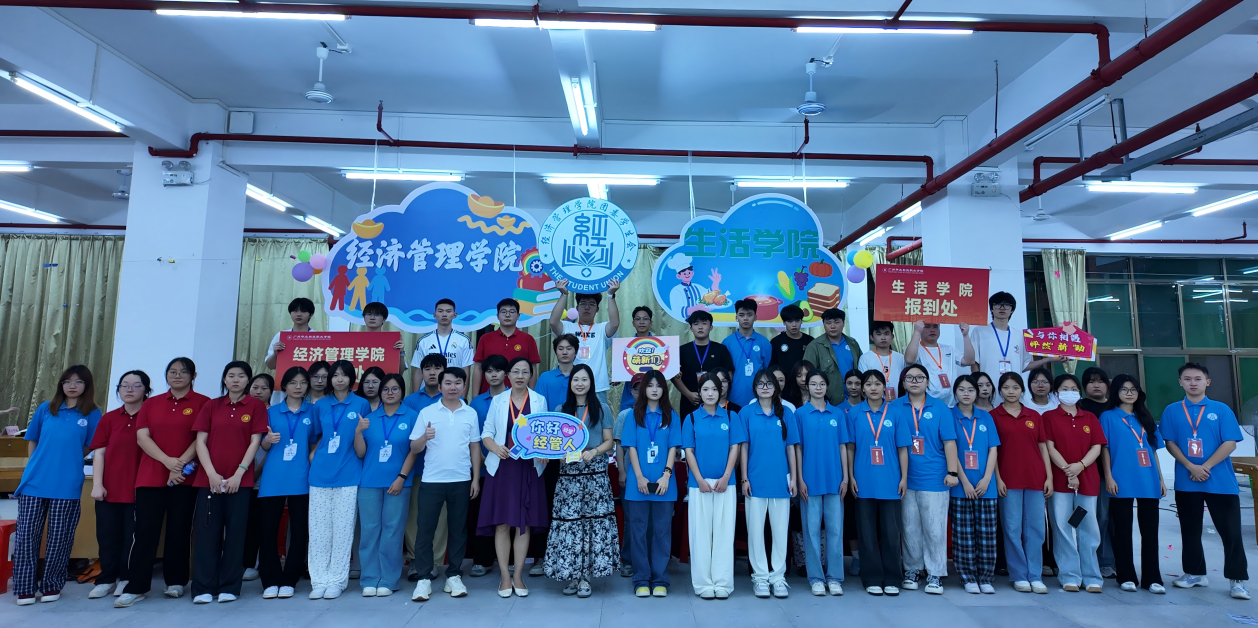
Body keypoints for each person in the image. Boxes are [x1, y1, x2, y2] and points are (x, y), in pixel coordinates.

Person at [117, 358, 208, 607]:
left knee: (179, 530)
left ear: (193, 375)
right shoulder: (152, 403)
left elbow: (201, 439)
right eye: (172, 372)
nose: (177, 376)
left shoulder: (203, 403)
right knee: (144, 532)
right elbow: (142, 437)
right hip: (150, 477)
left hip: (185, 479)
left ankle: (176, 581)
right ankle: (136, 586)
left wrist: (179, 465)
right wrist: (167, 461)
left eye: (183, 372)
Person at [1160, 362, 1249, 599]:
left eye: (1197, 379)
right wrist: (1191, 467)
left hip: (1220, 482)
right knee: (1190, 530)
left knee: (1230, 532)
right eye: (1187, 379)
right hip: (1187, 481)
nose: (1193, 383)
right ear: (1180, 382)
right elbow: (1170, 443)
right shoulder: (1172, 410)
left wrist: (1205, 467)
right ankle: (1194, 573)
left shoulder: (1221, 409)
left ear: (1207, 382)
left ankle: (1237, 580)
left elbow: (1230, 443)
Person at [13, 366, 101, 606]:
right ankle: (25, 588)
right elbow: (32, 441)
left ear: (86, 386)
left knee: (60, 538)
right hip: (35, 482)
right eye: (67, 381)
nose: (72, 386)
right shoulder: (46, 408)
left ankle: (52, 585)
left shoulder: (92, 413)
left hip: (67, 483)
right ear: (61, 384)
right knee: (26, 536)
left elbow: (90, 446)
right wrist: (35, 465)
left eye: (78, 382)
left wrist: (70, 458)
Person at [189, 361, 269, 604]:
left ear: (248, 380)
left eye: (241, 376)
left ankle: (230, 587)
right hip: (209, 480)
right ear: (224, 379)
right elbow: (200, 442)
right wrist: (211, 473)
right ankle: (203, 587)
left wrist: (239, 473)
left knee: (235, 535)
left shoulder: (255, 406)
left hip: (239, 482)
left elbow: (255, 442)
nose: (236, 380)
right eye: (231, 375)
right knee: (206, 534)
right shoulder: (211, 405)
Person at [544, 364, 618, 598]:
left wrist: (594, 452)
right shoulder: (561, 409)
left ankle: (586, 578)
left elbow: (609, 442)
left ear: (591, 383)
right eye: (576, 379)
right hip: (569, 477)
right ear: (570, 383)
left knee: (591, 525)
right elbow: (555, 443)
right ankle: (573, 575)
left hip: (595, 475)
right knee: (571, 525)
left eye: (584, 379)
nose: (580, 383)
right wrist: (559, 454)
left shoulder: (602, 407)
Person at [479, 357, 550, 598]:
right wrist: (494, 447)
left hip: (528, 468)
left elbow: (544, 434)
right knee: (502, 524)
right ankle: (504, 576)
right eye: (516, 371)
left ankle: (518, 576)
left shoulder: (539, 400)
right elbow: (486, 433)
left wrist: (543, 452)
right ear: (508, 375)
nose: (520, 376)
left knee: (523, 524)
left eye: (525, 372)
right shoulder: (498, 400)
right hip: (503, 467)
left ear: (531, 375)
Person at [410, 367, 482, 601]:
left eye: (458, 383)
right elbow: (414, 447)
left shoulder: (470, 413)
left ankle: (454, 574)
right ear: (439, 387)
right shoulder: (427, 412)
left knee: (458, 529)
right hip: (432, 480)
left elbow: (474, 447)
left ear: (464, 386)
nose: (453, 387)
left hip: (461, 479)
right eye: (448, 383)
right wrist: (425, 437)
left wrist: (475, 478)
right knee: (425, 530)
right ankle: (423, 578)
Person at [308, 360, 370, 599]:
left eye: (345, 375)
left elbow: (365, 439)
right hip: (320, 474)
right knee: (319, 531)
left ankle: (336, 580)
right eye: (335, 375)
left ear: (352, 379)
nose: (340, 379)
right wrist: (314, 455)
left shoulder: (361, 404)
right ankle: (318, 580)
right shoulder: (320, 405)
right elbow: (316, 437)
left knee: (343, 531)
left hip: (349, 474)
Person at [894, 363, 958, 594]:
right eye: (909, 378)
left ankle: (935, 573)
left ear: (927, 382)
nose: (914, 381)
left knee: (934, 529)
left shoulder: (940, 407)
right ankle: (912, 570)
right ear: (903, 383)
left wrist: (952, 472)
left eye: (919, 377)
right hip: (904, 479)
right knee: (909, 527)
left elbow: (949, 442)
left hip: (935, 478)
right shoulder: (894, 407)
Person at [353, 373, 418, 598]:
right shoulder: (369, 418)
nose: (390, 393)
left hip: (398, 482)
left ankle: (389, 579)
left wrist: (401, 477)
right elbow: (361, 453)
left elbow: (414, 451)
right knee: (370, 530)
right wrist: (358, 432)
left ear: (402, 391)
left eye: (395, 389)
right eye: (385, 389)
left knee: (392, 530)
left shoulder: (412, 416)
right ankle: (370, 578)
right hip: (369, 482)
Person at [1099, 374, 1166, 594]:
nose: (1129, 393)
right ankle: (1126, 576)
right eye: (1124, 389)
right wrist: (1109, 476)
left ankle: (1152, 578)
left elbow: (1153, 451)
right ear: (1115, 392)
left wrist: (1160, 479)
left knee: (1150, 531)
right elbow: (1105, 449)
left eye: (1133, 389)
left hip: (1148, 479)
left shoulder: (1145, 417)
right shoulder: (1108, 417)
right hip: (1121, 479)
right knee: (1122, 530)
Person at [738, 369, 799, 599]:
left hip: (780, 480)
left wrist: (794, 478)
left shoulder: (786, 413)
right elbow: (743, 447)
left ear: (776, 387)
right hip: (755, 481)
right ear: (754, 388)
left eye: (769, 383)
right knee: (755, 531)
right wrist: (744, 478)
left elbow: (791, 448)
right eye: (760, 384)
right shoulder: (746, 412)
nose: (765, 387)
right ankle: (760, 577)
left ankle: (778, 576)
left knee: (780, 531)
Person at [87, 370, 149, 600]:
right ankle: (106, 579)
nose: (129, 389)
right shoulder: (109, 418)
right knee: (107, 536)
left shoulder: (150, 418)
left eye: (136, 385)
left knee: (132, 538)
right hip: (109, 489)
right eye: (124, 385)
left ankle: (127, 579)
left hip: (139, 489)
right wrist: (97, 484)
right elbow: (99, 453)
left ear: (146, 390)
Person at [621, 370, 682, 597]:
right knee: (638, 532)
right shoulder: (633, 415)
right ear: (643, 389)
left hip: (665, 483)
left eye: (658, 385)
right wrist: (638, 477)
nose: (654, 389)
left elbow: (673, 447)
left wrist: (666, 475)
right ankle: (641, 579)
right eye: (650, 385)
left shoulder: (671, 416)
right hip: (638, 482)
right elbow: (631, 447)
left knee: (662, 532)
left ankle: (660, 579)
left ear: (664, 389)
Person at [256, 367, 316, 600]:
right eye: (293, 382)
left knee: (299, 531)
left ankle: (290, 578)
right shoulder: (271, 412)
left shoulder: (312, 411)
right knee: (268, 531)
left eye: (302, 382)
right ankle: (270, 579)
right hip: (273, 478)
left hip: (301, 477)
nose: (298, 387)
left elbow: (315, 441)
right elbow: (262, 444)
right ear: (284, 386)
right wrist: (268, 441)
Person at [1043, 373, 1106, 593]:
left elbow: (1097, 446)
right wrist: (1068, 471)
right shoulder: (1049, 417)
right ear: (1056, 393)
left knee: (1088, 527)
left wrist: (1080, 466)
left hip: (1087, 481)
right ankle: (1069, 575)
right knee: (1063, 527)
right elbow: (1049, 447)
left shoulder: (1089, 418)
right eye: (1064, 389)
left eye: (1073, 389)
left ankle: (1091, 576)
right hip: (1061, 481)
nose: (1069, 393)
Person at [847, 370, 908, 596]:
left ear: (885, 387)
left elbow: (903, 449)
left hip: (891, 481)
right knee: (867, 533)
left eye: (877, 383)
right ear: (863, 388)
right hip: (863, 481)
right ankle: (871, 577)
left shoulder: (896, 413)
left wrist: (904, 478)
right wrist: (851, 476)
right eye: (868, 384)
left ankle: (893, 577)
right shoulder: (854, 413)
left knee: (891, 533)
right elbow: (850, 447)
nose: (873, 388)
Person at [683, 373, 744, 600]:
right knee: (700, 533)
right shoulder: (691, 418)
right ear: (699, 392)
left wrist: (727, 476)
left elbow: (735, 447)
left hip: (725, 483)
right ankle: (703, 583)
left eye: (714, 389)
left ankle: (722, 582)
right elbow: (689, 451)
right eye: (705, 389)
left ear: (721, 392)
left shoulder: (730, 416)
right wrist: (699, 479)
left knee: (724, 533)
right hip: (699, 484)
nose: (710, 393)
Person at [990, 372, 1051, 594]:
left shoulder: (1034, 415)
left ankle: (1035, 575)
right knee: (1012, 528)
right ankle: (1019, 574)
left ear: (1022, 390)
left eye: (1015, 387)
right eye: (1006, 388)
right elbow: (992, 450)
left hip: (1035, 478)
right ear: (1000, 391)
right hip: (1008, 480)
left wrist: (1049, 477)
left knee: (1036, 528)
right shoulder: (993, 416)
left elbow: (1043, 447)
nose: (1011, 391)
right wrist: (998, 478)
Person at [795, 370, 849, 597]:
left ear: (827, 387)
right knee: (811, 531)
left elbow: (843, 446)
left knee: (836, 530)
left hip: (835, 480)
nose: (818, 388)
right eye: (813, 384)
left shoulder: (838, 414)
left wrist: (845, 477)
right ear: (807, 387)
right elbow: (797, 448)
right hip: (809, 481)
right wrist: (800, 479)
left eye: (822, 384)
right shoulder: (800, 414)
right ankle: (816, 578)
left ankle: (834, 577)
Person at [949, 374, 1001, 594]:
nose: (966, 394)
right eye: (961, 390)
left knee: (987, 535)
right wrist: (964, 481)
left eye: (971, 390)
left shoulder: (986, 417)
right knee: (963, 535)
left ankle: (986, 577)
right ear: (955, 393)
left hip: (985, 487)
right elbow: (950, 450)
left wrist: (987, 478)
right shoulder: (949, 416)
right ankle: (968, 577)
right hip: (961, 487)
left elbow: (993, 449)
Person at [402, 354, 451, 581]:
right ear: (420, 373)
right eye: (428, 368)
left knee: (440, 519)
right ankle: (415, 559)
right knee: (414, 517)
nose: (432, 372)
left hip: (444, 471)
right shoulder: (410, 401)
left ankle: (435, 561)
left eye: (437, 368)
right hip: (417, 468)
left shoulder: (453, 398)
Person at [466, 354, 508, 578]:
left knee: (507, 514)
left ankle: (509, 559)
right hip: (482, 467)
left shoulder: (515, 399)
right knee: (482, 514)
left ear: (506, 374)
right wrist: (482, 458)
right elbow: (472, 436)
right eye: (489, 371)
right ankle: (482, 559)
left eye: (497, 370)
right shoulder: (476, 403)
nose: (493, 375)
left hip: (509, 467)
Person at [549, 279, 621, 407]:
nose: (587, 307)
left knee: (598, 418)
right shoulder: (567, 327)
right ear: (577, 308)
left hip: (597, 386)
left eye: (592, 304)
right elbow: (553, 322)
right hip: (573, 385)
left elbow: (615, 323)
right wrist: (564, 294)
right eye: (583, 303)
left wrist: (611, 295)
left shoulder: (602, 328)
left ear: (597, 309)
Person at [969, 291, 1064, 376]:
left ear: (1012, 310)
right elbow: (974, 362)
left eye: (1006, 305)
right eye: (997, 304)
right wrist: (978, 383)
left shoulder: (1020, 335)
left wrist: (1048, 359)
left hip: (1013, 387)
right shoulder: (979, 332)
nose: (1002, 308)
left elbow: (1024, 365)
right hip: (988, 386)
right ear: (992, 309)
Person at [1077, 366, 1114, 579]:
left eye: (1100, 381)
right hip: (1089, 472)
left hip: (1118, 472)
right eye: (1091, 382)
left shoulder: (1115, 406)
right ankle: (1095, 561)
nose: (1096, 385)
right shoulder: (1080, 407)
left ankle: (1111, 560)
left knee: (1113, 519)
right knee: (1094, 517)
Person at [470, 298, 541, 397]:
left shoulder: (528, 339)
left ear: (518, 316)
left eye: (512, 312)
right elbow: (478, 368)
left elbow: (532, 368)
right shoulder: (485, 338)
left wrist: (531, 396)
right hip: (489, 395)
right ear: (497, 316)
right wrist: (475, 397)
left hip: (518, 396)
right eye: (503, 312)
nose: (507, 315)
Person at [674, 310, 735, 420]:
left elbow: (728, 375)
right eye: (696, 324)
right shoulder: (682, 350)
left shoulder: (721, 349)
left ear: (711, 327)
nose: (700, 327)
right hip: (689, 401)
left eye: (704, 323)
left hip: (716, 401)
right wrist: (688, 394)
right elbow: (674, 376)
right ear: (691, 328)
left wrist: (718, 394)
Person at [242, 373, 274, 582]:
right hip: (242, 477)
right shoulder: (243, 412)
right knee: (246, 523)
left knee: (263, 523)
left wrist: (259, 470)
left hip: (264, 478)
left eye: (264, 388)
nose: (259, 391)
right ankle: (245, 563)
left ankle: (258, 563)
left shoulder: (273, 414)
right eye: (255, 387)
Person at [613, 373, 645, 578]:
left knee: (650, 519)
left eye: (645, 387)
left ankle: (649, 559)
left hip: (653, 476)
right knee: (632, 519)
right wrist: (621, 472)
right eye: (636, 388)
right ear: (631, 392)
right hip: (630, 475)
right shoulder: (625, 415)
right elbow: (619, 445)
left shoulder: (661, 414)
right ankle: (629, 559)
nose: (640, 392)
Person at [904, 321, 974, 408]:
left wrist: (965, 335)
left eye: (935, 326)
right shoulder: (915, 349)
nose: (932, 330)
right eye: (927, 326)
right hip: (926, 404)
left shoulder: (949, 349)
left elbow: (969, 361)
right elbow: (909, 360)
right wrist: (916, 332)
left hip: (951, 404)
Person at [801, 308, 863, 406]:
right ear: (823, 324)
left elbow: (861, 369)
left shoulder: (853, 343)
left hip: (854, 399)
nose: (833, 326)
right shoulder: (814, 346)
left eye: (837, 322)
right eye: (828, 323)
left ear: (843, 323)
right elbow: (808, 374)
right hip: (829, 401)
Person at [412, 298, 474, 393]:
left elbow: (466, 371)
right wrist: (416, 396)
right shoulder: (424, 341)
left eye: (448, 311)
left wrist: (463, 398)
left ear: (455, 315)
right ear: (434, 315)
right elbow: (418, 371)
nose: (444, 314)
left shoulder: (464, 341)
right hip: (429, 392)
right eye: (440, 311)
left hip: (453, 391)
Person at [721, 298, 771, 407]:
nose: (745, 318)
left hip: (759, 397)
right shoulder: (727, 343)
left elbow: (767, 370)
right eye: (741, 315)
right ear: (736, 317)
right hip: (734, 397)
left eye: (749, 315)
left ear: (755, 317)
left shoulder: (764, 342)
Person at [619, 306, 656, 413]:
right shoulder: (625, 346)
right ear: (633, 323)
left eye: (645, 319)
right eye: (638, 319)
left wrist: (673, 371)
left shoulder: (660, 346)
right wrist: (617, 377)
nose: (641, 322)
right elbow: (620, 370)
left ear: (651, 322)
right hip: (630, 397)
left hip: (654, 395)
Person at [265, 297, 317, 371]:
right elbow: (270, 366)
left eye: (303, 311)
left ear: (311, 314)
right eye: (295, 311)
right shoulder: (280, 336)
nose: (299, 314)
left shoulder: (317, 336)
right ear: (290, 313)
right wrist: (276, 354)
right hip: (287, 376)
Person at [858, 321, 905, 401]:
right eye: (878, 334)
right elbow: (864, 383)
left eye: (886, 334)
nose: (883, 338)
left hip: (898, 402)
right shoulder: (865, 358)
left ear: (892, 336)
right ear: (871, 337)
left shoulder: (901, 358)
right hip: (875, 403)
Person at [362, 301, 408, 373]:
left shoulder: (392, 341)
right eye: (369, 314)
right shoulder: (353, 340)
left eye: (377, 315)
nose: (372, 318)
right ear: (364, 318)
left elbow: (399, 372)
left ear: (384, 319)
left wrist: (401, 352)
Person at [536, 334, 578, 412]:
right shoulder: (545, 378)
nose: (564, 352)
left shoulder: (581, 378)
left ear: (576, 352)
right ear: (555, 352)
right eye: (560, 349)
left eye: (569, 348)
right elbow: (538, 406)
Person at [770, 304, 811, 373]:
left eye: (797, 321)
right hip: (783, 379)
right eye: (790, 321)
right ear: (784, 322)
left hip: (805, 379)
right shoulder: (776, 342)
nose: (794, 325)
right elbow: (772, 367)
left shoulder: (810, 341)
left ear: (801, 321)